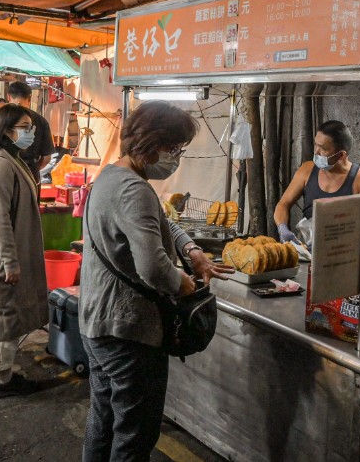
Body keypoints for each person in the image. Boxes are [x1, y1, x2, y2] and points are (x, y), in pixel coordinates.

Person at [79, 101, 234, 461]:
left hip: (97, 324)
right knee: (135, 433)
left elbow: (161, 221)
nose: (176, 157)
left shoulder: (112, 176)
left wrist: (191, 250)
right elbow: (151, 267)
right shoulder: (134, 190)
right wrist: (183, 283)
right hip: (127, 331)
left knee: (103, 418)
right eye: (174, 148)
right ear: (153, 143)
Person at [0, 104, 47, 398]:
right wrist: (10, 261)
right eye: (25, 127)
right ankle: (3, 380)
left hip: (6, 251)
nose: (32, 132)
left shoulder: (10, 158)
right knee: (5, 316)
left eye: (32, 127)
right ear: (5, 130)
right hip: (3, 254)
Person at [273, 120, 360, 247]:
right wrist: (283, 229)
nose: (316, 152)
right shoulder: (306, 170)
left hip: (342, 252)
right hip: (309, 251)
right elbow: (282, 205)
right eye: (315, 145)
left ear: (341, 155)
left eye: (323, 149)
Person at [1, 82, 53, 183]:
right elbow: (46, 158)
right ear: (29, 98)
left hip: (1, 171)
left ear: (8, 97)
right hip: (30, 172)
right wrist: (31, 169)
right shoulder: (41, 121)